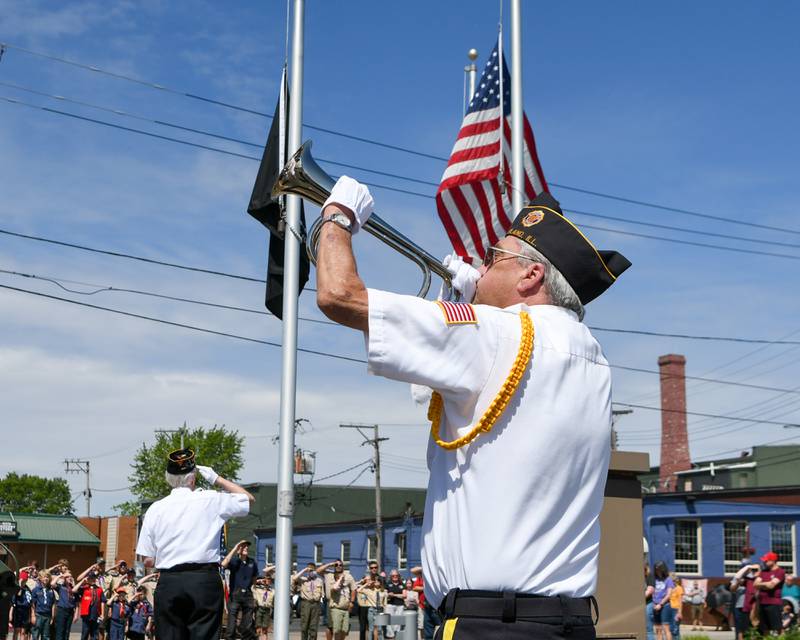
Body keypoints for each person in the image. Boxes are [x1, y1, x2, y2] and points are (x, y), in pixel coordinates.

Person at [314, 168, 629, 639]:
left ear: (531, 274)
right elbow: (465, 402)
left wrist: (335, 216)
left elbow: (338, 295)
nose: (480, 268)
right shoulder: (593, 358)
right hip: (569, 622)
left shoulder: (498, 334)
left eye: (493, 257)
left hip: (490, 625)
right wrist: (470, 308)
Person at [134, 448, 254, 640]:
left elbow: (147, 560)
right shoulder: (211, 499)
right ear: (193, 478)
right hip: (203, 580)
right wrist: (217, 479)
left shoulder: (155, 509)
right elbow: (248, 499)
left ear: (168, 478)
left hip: (169, 581)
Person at [222, 540, 259, 640]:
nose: (246, 548)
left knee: (247, 624)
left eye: (247, 546)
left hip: (247, 594)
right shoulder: (234, 561)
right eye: (243, 546)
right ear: (239, 549)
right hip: (235, 594)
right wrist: (235, 547)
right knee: (231, 623)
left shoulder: (252, 562)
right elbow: (224, 564)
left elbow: (255, 577)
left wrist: (252, 587)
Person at [754, 551, 785, 635]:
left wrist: (762, 584)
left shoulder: (780, 572)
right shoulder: (763, 571)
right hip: (762, 603)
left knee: (778, 628)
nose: (764, 562)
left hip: (774, 603)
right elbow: (755, 584)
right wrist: (766, 584)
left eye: (767, 560)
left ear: (773, 561)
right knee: (764, 628)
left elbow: (771, 586)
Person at [324, 560, 357, 640]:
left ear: (343, 566)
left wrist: (352, 602)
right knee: (333, 628)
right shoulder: (329, 575)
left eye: (340, 565)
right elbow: (318, 570)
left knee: (345, 630)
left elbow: (353, 589)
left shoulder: (348, 576)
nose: (338, 566)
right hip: (334, 606)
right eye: (336, 565)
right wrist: (331, 564)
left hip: (345, 607)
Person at [293, 562, 324, 640]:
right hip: (306, 603)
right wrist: (305, 570)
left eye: (312, 570)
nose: (311, 572)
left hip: (316, 604)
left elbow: (322, 594)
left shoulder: (319, 580)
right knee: (304, 625)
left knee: (314, 626)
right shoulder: (303, 579)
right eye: (309, 570)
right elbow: (294, 578)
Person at [731, 561, 760, 640]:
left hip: (752, 606)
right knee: (740, 628)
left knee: (753, 626)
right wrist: (738, 582)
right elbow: (732, 589)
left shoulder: (755, 578)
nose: (753, 571)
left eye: (755, 569)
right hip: (740, 605)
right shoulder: (739, 577)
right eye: (752, 569)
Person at [72, 571, 105, 640]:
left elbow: (102, 601)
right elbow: (74, 590)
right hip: (86, 614)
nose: (92, 580)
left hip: (96, 614)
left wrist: (102, 614)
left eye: (93, 578)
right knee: (85, 633)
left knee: (94, 635)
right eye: (90, 578)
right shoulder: (84, 588)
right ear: (88, 579)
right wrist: (82, 581)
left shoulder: (99, 589)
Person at [30, 571, 56, 640]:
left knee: (46, 636)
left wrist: (52, 617)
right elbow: (32, 603)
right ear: (40, 578)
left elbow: (53, 603)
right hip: (38, 615)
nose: (46, 578)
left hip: (48, 616)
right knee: (35, 635)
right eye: (44, 577)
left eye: (47, 577)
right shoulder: (35, 590)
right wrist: (33, 616)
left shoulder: (51, 590)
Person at [52, 569, 77, 640]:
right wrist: (61, 575)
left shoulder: (73, 588)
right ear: (64, 578)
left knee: (67, 632)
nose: (69, 578)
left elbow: (77, 601)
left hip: (70, 611)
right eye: (67, 577)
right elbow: (52, 584)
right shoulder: (61, 587)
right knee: (60, 631)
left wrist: (72, 581)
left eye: (70, 577)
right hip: (61, 610)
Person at [651, 563, 674, 640]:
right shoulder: (655, 579)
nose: (657, 571)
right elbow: (653, 592)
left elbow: (668, 595)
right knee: (658, 629)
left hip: (665, 606)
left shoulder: (668, 579)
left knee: (666, 628)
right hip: (655, 605)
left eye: (659, 569)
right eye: (656, 569)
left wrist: (660, 604)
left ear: (663, 569)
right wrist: (654, 603)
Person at [252, 575, 274, 640]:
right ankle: (257, 638)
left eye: (269, 580)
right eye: (266, 580)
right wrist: (260, 580)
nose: (267, 581)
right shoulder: (257, 588)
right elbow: (253, 584)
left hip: (267, 609)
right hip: (259, 608)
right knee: (258, 627)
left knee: (265, 628)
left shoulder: (272, 590)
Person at [384, 570, 404, 639]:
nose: (395, 577)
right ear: (391, 576)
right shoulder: (387, 583)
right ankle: (391, 636)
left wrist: (394, 595)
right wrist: (389, 595)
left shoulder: (402, 584)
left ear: (398, 576)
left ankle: (396, 635)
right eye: (393, 576)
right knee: (389, 621)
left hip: (400, 605)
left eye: (396, 575)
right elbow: (385, 594)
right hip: (390, 605)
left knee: (398, 621)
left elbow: (404, 595)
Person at [668, 575, 683, 640]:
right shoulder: (668, 589)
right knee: (670, 629)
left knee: (675, 630)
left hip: (675, 610)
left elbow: (680, 601)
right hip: (668, 609)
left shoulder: (679, 588)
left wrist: (679, 612)